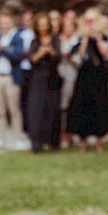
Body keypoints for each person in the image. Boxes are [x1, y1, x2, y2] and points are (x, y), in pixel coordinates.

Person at [67, 7, 108, 152]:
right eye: (88, 20)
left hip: (99, 76)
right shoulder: (80, 37)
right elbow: (79, 55)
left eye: (93, 20)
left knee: (100, 106)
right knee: (83, 107)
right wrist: (86, 37)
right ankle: (84, 141)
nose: (90, 23)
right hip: (84, 76)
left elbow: (106, 54)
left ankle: (99, 141)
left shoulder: (105, 36)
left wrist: (98, 37)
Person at [0, 9, 30, 150]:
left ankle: (18, 139)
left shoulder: (17, 37)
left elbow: (17, 56)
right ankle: (1, 139)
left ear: (11, 22)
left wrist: (2, 49)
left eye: (7, 22)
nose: (4, 25)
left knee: (14, 110)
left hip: (11, 78)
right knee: (0, 111)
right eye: (2, 23)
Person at [24, 13, 61, 153]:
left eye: (45, 24)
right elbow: (31, 59)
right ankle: (36, 143)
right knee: (36, 109)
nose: (43, 27)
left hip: (53, 78)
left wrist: (50, 51)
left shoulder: (55, 39)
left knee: (52, 109)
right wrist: (40, 52)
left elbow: (58, 56)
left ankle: (53, 143)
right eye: (40, 24)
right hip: (38, 78)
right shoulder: (34, 41)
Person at [56, 15, 81, 149]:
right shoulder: (58, 40)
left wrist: (72, 58)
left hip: (74, 73)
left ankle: (74, 134)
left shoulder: (78, 40)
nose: (68, 29)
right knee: (62, 105)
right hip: (60, 73)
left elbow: (82, 58)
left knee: (73, 104)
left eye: (70, 26)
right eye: (66, 26)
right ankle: (62, 135)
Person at [18, 9, 36, 140]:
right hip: (23, 69)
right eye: (25, 20)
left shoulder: (37, 33)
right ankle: (25, 128)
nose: (27, 22)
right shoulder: (20, 34)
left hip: (35, 70)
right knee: (23, 100)